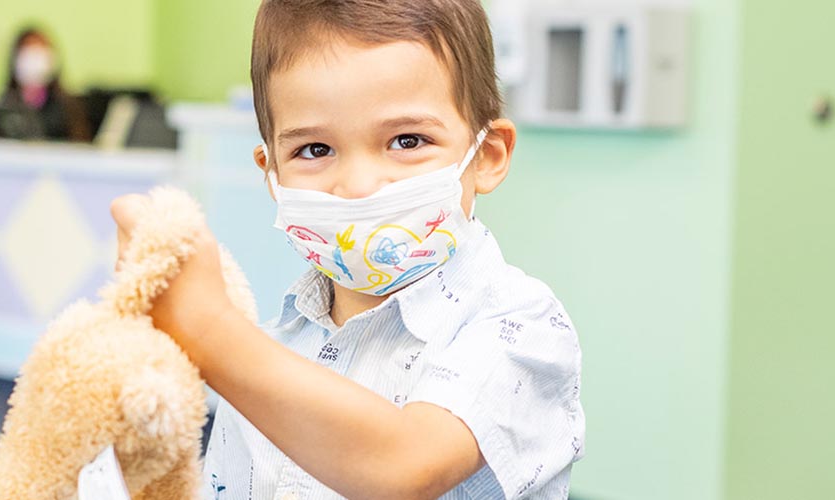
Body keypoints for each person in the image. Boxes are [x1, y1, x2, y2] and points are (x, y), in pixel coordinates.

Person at [111, 0, 585, 498]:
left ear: (487, 155)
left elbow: (406, 467)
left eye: (407, 141)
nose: (359, 186)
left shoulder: (522, 327)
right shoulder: (273, 346)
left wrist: (208, 330)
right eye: (315, 150)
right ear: (272, 174)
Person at [0, 27, 90, 142]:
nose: (34, 61)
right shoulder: (1, 109)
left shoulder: (67, 110)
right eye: (27, 52)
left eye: (38, 52)